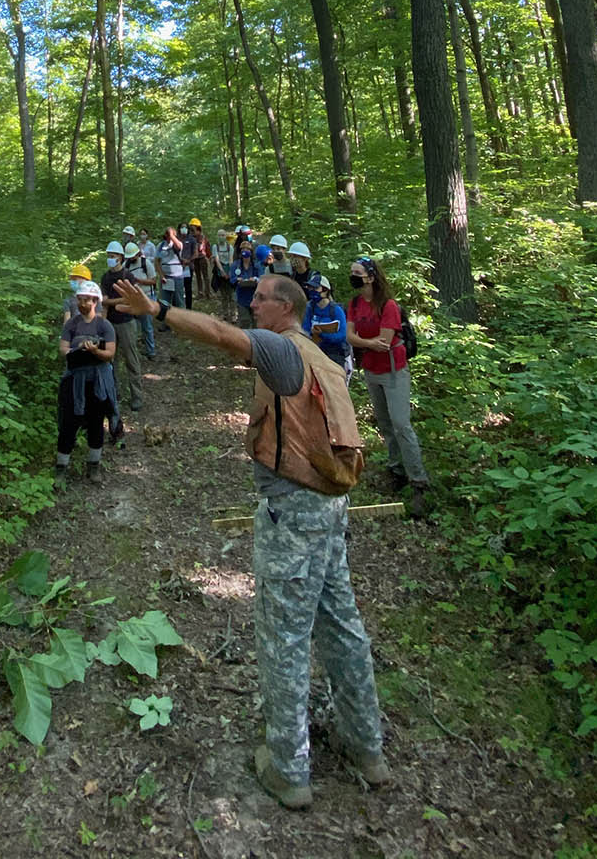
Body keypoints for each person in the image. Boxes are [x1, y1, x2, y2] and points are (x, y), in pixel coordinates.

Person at [112, 273, 390, 809]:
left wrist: (158, 311)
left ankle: (289, 771)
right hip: (330, 512)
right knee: (343, 627)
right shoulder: (321, 358)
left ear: (284, 307)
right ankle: (367, 747)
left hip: (293, 516)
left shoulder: (283, 350)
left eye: (261, 298)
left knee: (283, 639)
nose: (252, 304)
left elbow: (219, 334)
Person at [346, 256, 428, 518]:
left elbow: (386, 340)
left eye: (357, 272)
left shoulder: (388, 305)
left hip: (394, 371)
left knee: (401, 423)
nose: (354, 276)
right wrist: (367, 343)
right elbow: (349, 336)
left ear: (370, 276)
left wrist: (363, 342)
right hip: (371, 370)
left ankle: (419, 482)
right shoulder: (355, 304)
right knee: (384, 422)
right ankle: (396, 470)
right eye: (352, 272)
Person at [56, 281, 117, 486]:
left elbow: (110, 354)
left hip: (98, 382)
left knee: (96, 424)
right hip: (75, 381)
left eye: (86, 300)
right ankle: (61, 468)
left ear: (95, 301)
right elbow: (63, 348)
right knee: (68, 423)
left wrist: (95, 351)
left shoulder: (104, 325)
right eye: (80, 300)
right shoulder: (71, 324)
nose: (82, 303)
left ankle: (94, 466)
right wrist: (75, 351)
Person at [102, 242, 142, 413]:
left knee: (131, 360)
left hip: (126, 322)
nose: (110, 258)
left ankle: (137, 397)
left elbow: (131, 299)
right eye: (108, 255)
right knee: (111, 362)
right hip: (110, 323)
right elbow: (103, 302)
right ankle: (114, 394)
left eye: (113, 255)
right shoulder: (105, 278)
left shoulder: (128, 276)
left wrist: (111, 302)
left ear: (120, 257)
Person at [303, 277, 351, 383]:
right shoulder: (309, 308)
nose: (311, 291)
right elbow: (304, 329)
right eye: (310, 287)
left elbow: (342, 335)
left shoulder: (336, 310)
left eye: (315, 288)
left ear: (325, 290)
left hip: (335, 354)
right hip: (314, 352)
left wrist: (323, 335)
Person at [124, 240, 158, 360]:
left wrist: (138, 280)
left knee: (147, 326)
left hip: (147, 297)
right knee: (133, 327)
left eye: (133, 256)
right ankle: (135, 352)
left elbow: (153, 280)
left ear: (137, 254)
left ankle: (151, 351)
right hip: (133, 299)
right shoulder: (126, 265)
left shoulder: (146, 263)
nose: (131, 258)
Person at [229, 239, 261, 320]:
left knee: (256, 322)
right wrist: (237, 279)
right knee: (244, 321)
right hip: (242, 298)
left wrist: (255, 279)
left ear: (251, 251)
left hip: (254, 298)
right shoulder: (235, 265)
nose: (245, 251)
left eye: (247, 249)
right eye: (243, 249)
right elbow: (232, 279)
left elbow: (261, 278)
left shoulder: (256, 265)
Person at [156, 227, 183, 316]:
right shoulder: (160, 246)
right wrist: (162, 275)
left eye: (170, 234)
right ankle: (166, 323)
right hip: (165, 278)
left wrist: (172, 235)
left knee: (179, 301)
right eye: (167, 234)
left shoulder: (177, 244)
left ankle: (181, 322)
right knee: (164, 302)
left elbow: (179, 247)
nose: (168, 236)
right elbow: (157, 262)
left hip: (177, 277)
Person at [288, 241, 322, 307]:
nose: (292, 259)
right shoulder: (292, 277)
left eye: (295, 256)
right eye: (291, 256)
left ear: (305, 258)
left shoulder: (313, 276)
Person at [211, 228, 234, 319]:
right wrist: (222, 272)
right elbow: (216, 260)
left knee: (231, 295)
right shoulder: (215, 247)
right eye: (219, 235)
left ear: (226, 236)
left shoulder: (230, 247)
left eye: (223, 235)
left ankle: (233, 314)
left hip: (229, 272)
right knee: (223, 295)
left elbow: (231, 260)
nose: (221, 237)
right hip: (220, 273)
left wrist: (229, 272)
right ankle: (225, 313)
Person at [189, 218, 211, 300]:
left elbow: (202, 248)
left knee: (205, 276)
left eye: (193, 227)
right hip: (195, 259)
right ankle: (200, 293)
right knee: (198, 276)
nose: (191, 228)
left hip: (202, 258)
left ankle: (208, 293)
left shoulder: (202, 237)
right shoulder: (190, 236)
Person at [177, 221, 197, 308]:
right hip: (177, 267)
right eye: (182, 227)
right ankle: (178, 307)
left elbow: (195, 253)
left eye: (185, 227)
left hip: (188, 268)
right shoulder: (176, 239)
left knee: (188, 288)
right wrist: (180, 260)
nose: (183, 229)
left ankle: (189, 308)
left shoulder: (192, 239)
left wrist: (188, 261)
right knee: (178, 288)